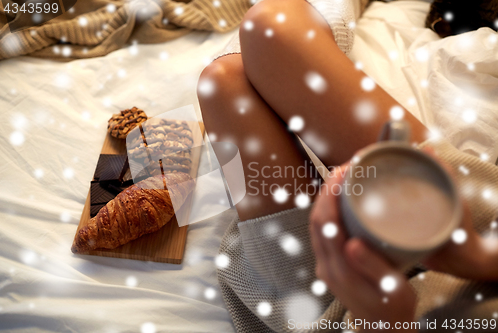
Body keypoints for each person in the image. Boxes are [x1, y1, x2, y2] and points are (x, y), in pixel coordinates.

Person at [197, 0, 498, 331]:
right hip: (466, 233)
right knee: (263, 34)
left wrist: (384, 322)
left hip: (330, 315)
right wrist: (478, 257)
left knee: (221, 81)